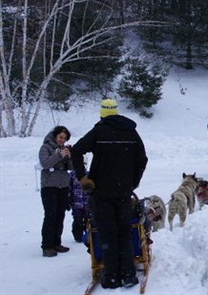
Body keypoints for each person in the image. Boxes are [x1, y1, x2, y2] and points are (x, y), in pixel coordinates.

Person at [71, 99, 148, 289]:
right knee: (124, 232)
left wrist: (83, 177)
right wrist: (133, 182)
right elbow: (142, 159)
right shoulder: (131, 131)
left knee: (107, 233)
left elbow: (76, 151)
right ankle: (129, 274)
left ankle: (111, 276)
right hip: (123, 192)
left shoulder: (99, 131)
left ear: (102, 113)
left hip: (101, 192)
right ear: (116, 112)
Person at [38, 125, 73, 257]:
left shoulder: (64, 149)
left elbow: (71, 168)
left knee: (60, 215)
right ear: (55, 136)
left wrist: (70, 157)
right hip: (49, 186)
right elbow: (45, 163)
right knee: (50, 215)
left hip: (63, 185)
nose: (62, 140)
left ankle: (56, 242)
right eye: (60, 137)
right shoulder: (45, 147)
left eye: (64, 138)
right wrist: (59, 155)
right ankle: (47, 245)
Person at [70, 156, 90, 243]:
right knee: (77, 219)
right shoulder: (72, 175)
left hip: (87, 202)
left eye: (85, 164)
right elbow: (69, 187)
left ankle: (88, 235)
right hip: (76, 202)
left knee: (88, 219)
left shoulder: (89, 174)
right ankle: (78, 236)